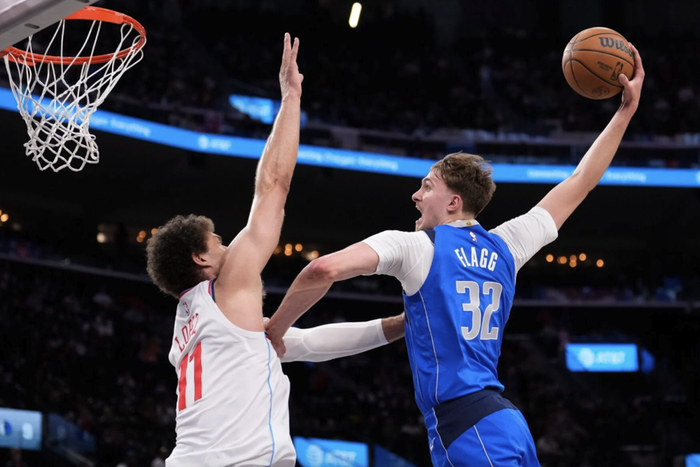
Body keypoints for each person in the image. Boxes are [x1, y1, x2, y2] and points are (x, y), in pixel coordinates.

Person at [266, 45, 645, 466]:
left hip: (468, 428)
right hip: (502, 423)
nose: (415, 195)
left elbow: (323, 269)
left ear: (453, 202)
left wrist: (276, 328)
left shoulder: (416, 247)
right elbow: (580, 181)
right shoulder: (507, 245)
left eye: (426, 186)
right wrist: (625, 112)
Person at [145, 34, 405, 467]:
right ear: (200, 259)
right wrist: (291, 97)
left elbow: (313, 343)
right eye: (219, 241)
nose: (229, 244)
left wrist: (406, 322)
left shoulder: (195, 326)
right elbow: (273, 187)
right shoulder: (225, 290)